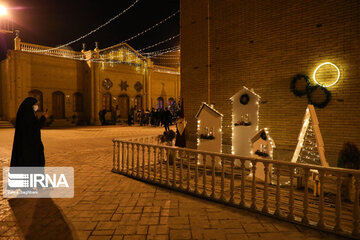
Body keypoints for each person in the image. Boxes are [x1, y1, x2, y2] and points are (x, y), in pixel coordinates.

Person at [10, 97, 48, 167]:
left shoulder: (31, 113)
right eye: (36, 104)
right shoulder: (27, 114)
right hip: (28, 144)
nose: (37, 106)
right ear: (31, 104)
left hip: (32, 142)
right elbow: (34, 127)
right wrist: (43, 118)